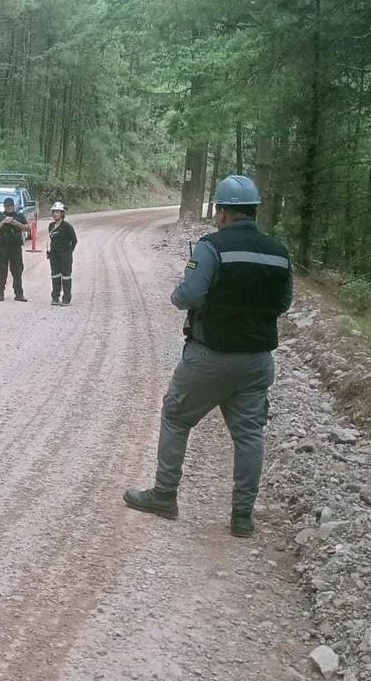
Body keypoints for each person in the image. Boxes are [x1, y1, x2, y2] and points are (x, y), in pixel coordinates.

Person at [124, 175, 293, 539]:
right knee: (249, 435)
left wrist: (181, 293)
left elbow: (190, 295)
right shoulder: (279, 252)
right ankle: (242, 516)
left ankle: (165, 494)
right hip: (257, 361)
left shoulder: (211, 247)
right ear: (254, 210)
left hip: (210, 355)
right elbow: (283, 304)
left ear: (222, 212)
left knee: (175, 415)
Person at [0, 197, 28, 302]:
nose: (9, 207)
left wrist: (15, 223)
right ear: (4, 206)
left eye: (10, 206)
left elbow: (27, 228)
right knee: (2, 271)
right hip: (3, 248)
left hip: (15, 248)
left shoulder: (19, 216)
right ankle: (0, 293)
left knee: (17, 272)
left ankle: (19, 294)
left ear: (13, 206)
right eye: (7, 206)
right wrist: (3, 222)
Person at [47, 202, 77, 306]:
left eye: (57, 212)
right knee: (55, 276)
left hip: (65, 256)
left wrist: (68, 252)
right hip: (54, 256)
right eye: (53, 212)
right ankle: (55, 297)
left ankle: (66, 299)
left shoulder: (67, 226)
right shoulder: (51, 226)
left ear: (62, 213)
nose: (55, 214)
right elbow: (51, 240)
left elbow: (74, 241)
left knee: (66, 277)